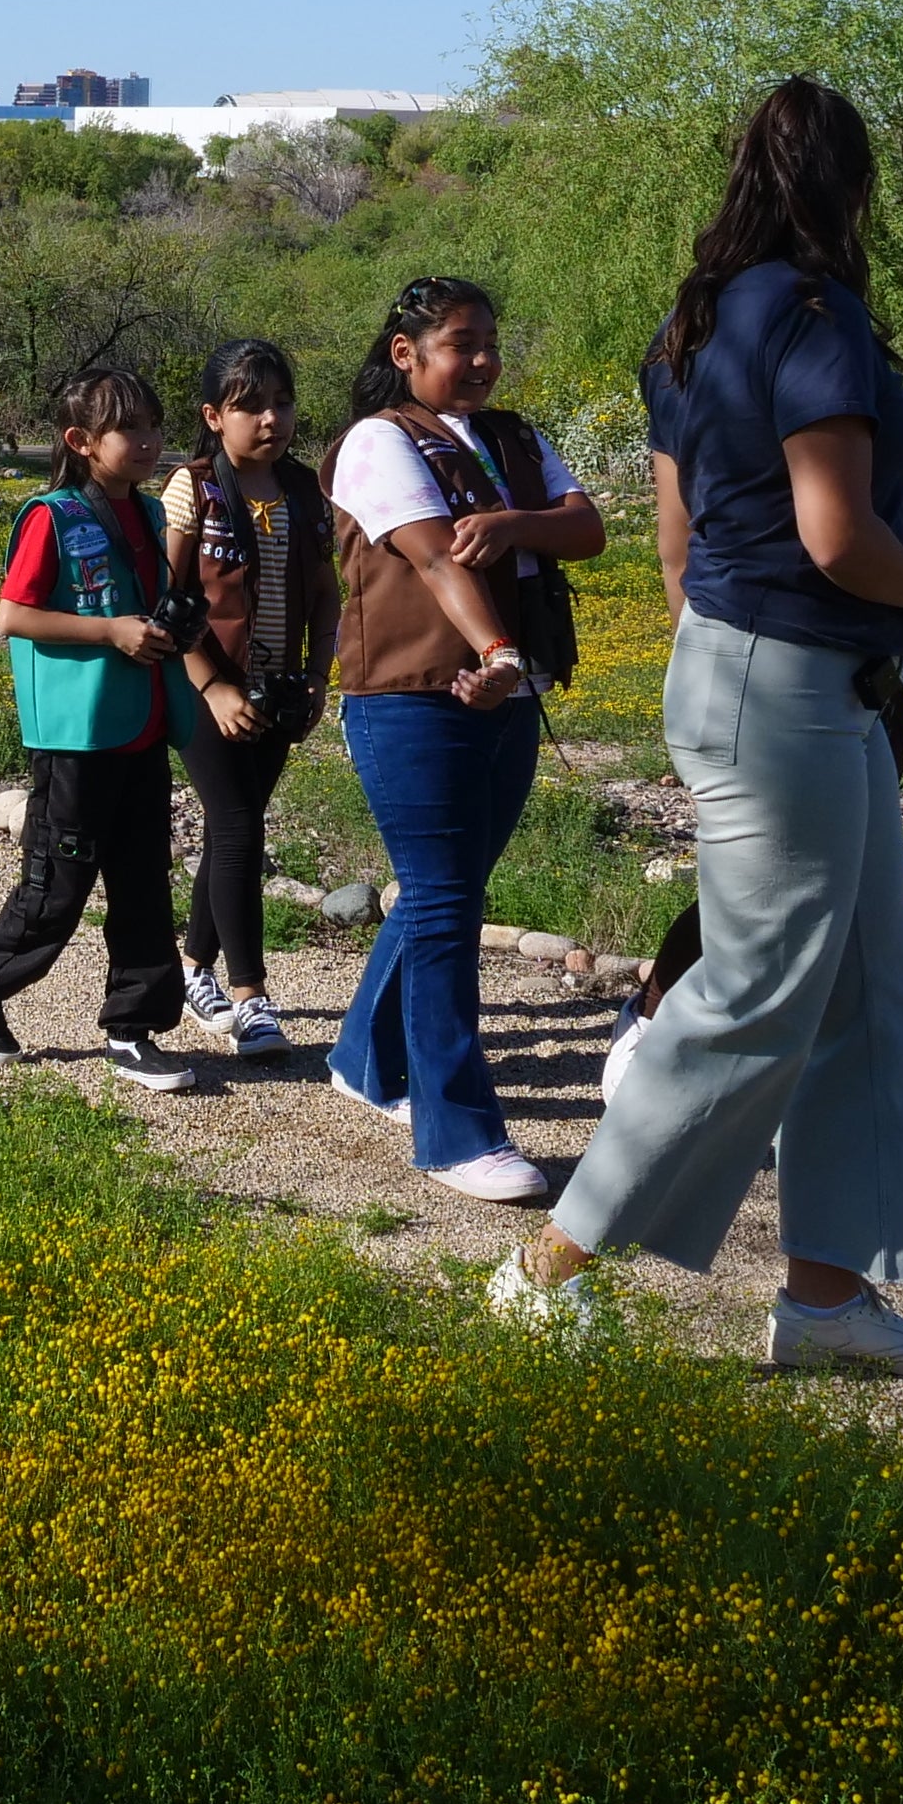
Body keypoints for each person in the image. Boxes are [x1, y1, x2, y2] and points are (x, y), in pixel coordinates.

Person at [498, 80, 903, 1378]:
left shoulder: (695, 329)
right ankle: (548, 1269)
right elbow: (838, 535)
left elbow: (678, 549)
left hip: (766, 673)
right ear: (850, 189)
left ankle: (829, 1303)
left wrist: (772, 659)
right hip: (795, 692)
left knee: (868, 1006)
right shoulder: (817, 322)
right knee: (754, 994)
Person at [324, 276, 605, 1206]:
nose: (481, 360)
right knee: (446, 899)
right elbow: (438, 556)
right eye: (458, 343)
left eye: (489, 341)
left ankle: (364, 1056)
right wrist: (494, 645)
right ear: (406, 353)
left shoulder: (517, 438)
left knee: (452, 887)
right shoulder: (378, 441)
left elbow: (586, 528)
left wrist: (514, 524)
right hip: (417, 695)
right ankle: (456, 1133)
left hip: (510, 691)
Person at [0, 366, 216, 1090]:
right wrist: (109, 633)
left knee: (143, 886)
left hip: (144, 727)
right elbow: (14, 617)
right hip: (77, 736)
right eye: (132, 429)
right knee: (58, 884)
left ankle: (134, 1031)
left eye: (157, 427)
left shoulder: (152, 516)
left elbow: (148, 607)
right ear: (81, 441)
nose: (151, 441)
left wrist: (166, 631)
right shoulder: (51, 515)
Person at [160, 337, 333, 1060]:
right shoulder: (192, 487)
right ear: (213, 415)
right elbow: (171, 601)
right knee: (237, 825)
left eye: (282, 402)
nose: (271, 419)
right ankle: (249, 998)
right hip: (207, 688)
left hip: (279, 694)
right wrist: (213, 685)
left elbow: (325, 595)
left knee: (241, 825)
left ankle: (193, 968)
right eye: (250, 406)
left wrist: (319, 675)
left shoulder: (302, 489)